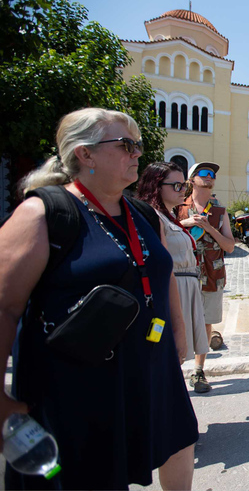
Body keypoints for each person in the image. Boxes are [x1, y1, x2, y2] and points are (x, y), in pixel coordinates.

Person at [0, 108, 198, 489]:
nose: (137, 153)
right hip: (79, 383)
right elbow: (5, 307)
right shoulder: (44, 212)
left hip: (150, 366)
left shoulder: (142, 213)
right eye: (126, 145)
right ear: (84, 154)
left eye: (137, 145)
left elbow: (163, 273)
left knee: (178, 440)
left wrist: (178, 331)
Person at [137, 162, 208, 370]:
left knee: (176, 357)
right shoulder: (153, 217)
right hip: (174, 288)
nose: (183, 191)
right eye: (176, 186)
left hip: (186, 286)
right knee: (170, 355)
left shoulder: (169, 217)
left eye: (184, 186)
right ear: (156, 186)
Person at [178, 161, 235, 393]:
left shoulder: (220, 212)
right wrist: (187, 223)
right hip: (183, 273)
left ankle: (199, 371)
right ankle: (177, 365)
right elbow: (162, 230)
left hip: (212, 272)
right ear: (191, 180)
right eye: (203, 173)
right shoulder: (178, 207)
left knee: (206, 321)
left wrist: (211, 229)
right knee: (180, 319)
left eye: (212, 174)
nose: (209, 176)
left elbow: (230, 246)